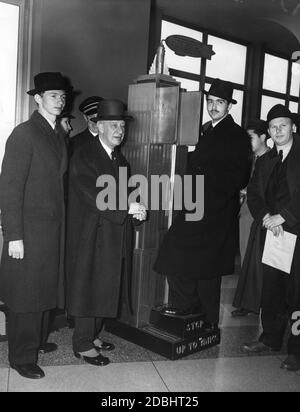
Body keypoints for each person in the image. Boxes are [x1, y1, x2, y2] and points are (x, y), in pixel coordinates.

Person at [154, 78, 252, 332]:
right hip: (195, 206)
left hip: (215, 212)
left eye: (220, 102)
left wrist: (206, 196)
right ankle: (187, 306)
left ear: (229, 106)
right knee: (177, 254)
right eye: (210, 102)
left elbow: (239, 176)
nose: (214, 106)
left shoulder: (237, 135)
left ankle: (208, 319)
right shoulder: (204, 130)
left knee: (208, 269)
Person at [0, 72, 70, 379]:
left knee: (42, 290)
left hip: (50, 232)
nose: (60, 100)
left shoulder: (56, 134)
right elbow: (10, 188)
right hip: (27, 231)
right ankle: (21, 356)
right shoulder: (24, 133)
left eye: (62, 96)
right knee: (25, 296)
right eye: (53, 95)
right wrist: (13, 235)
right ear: (38, 98)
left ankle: (37, 342)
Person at [66, 99, 146, 366]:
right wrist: (127, 207)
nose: (119, 130)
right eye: (113, 125)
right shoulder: (84, 155)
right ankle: (82, 343)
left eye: (122, 125)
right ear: (98, 127)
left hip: (113, 235)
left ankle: (93, 335)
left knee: (105, 286)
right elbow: (94, 195)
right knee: (89, 287)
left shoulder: (121, 161)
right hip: (91, 236)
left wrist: (137, 212)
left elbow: (127, 195)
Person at [242, 104, 300, 372]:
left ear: (293, 127)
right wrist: (266, 216)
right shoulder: (265, 160)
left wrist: (285, 216)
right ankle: (270, 338)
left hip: (297, 233)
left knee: (297, 294)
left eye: (283, 125)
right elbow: (254, 193)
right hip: (273, 234)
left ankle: (297, 352)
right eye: (273, 127)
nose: (278, 131)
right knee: (272, 289)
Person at [232, 119, 270, 317]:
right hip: (246, 215)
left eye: (251, 137)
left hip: (257, 217)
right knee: (247, 259)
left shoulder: (271, 159)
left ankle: (254, 303)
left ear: (264, 137)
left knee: (255, 261)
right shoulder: (255, 159)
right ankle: (249, 302)